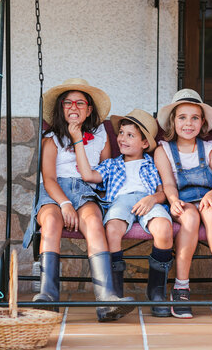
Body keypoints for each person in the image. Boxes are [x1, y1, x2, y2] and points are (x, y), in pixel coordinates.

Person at [22, 78, 134, 322]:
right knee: (50, 222)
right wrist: (65, 204)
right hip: (55, 193)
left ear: (89, 109)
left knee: (94, 221)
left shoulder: (100, 135)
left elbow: (103, 171)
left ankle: (106, 300)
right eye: (68, 102)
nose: (74, 106)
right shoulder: (51, 137)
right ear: (61, 108)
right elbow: (49, 178)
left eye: (80, 102)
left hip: (86, 191)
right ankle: (48, 296)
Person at [75, 108, 175, 317]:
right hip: (120, 201)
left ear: (145, 143)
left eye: (130, 135)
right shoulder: (111, 165)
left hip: (147, 199)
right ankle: (115, 294)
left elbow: (163, 192)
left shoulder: (153, 162)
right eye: (121, 133)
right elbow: (88, 175)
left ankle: (156, 292)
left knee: (164, 229)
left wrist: (152, 199)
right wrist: (78, 142)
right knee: (112, 230)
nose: (122, 138)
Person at [154, 89, 212, 320]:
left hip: (209, 197)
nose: (188, 123)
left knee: (211, 215)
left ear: (202, 124)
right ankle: (181, 287)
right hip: (182, 200)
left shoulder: (210, 149)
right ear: (173, 121)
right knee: (190, 218)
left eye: (194, 118)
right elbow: (168, 184)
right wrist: (173, 201)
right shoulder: (163, 150)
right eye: (182, 117)